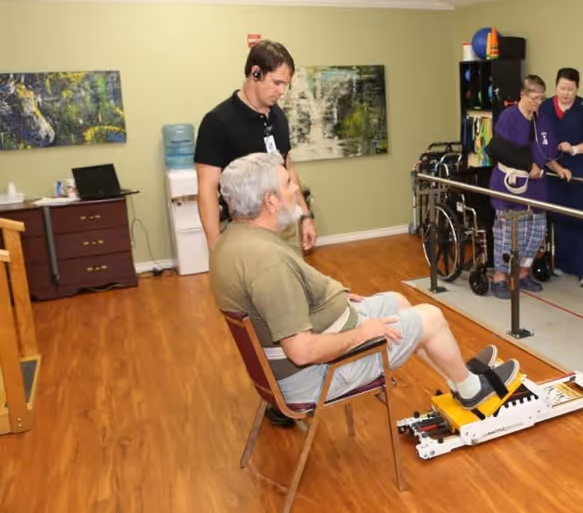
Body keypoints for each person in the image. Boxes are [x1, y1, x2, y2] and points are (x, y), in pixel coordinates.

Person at [209, 152, 521, 415]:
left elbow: (279, 307)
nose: (296, 189)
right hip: (314, 376)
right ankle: (471, 389)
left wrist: (335, 303)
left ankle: (459, 380)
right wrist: (363, 332)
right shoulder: (267, 264)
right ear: (270, 202)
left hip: (301, 356)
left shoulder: (232, 241)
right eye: (288, 183)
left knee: (397, 301)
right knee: (430, 317)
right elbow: (302, 351)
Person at [194, 40, 317, 255]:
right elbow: (206, 190)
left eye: (285, 85)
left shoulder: (278, 116)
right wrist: (215, 247)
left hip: (284, 226)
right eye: (277, 83)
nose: (282, 91)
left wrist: (305, 216)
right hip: (244, 233)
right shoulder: (217, 122)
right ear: (256, 73)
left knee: (291, 284)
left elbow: (288, 167)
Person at [485, 75, 571, 300]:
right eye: (534, 98)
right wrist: (527, 165)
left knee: (534, 235)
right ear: (523, 95)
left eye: (542, 99)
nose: (538, 103)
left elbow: (546, 151)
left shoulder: (541, 120)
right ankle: (500, 278)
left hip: (536, 186)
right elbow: (500, 149)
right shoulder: (509, 118)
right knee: (508, 235)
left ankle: (523, 274)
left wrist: (558, 167)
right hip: (510, 184)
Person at [539, 68, 583, 287]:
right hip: (554, 171)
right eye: (562, 88)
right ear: (556, 86)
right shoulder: (546, 107)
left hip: (582, 171)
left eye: (570, 89)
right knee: (560, 218)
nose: (566, 93)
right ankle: (563, 264)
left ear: (577, 88)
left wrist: (575, 149)